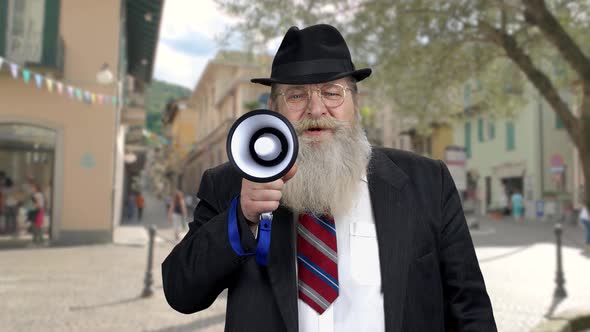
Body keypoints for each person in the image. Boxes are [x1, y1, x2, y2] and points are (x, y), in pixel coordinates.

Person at [162, 24, 496, 331]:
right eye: (296, 95)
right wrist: (241, 217)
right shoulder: (230, 185)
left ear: (355, 102)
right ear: (274, 107)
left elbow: (469, 309)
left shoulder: (427, 183)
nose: (316, 109)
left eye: (331, 92)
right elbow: (181, 292)